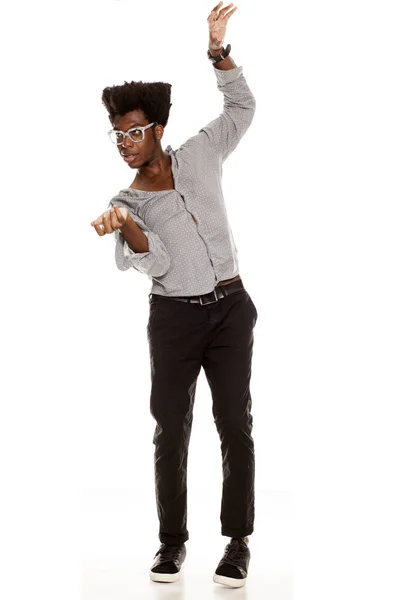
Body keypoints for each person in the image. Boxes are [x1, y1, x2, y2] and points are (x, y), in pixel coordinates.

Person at [91, 1, 257, 589]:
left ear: (157, 129)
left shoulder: (201, 154)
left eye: (133, 131)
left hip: (232, 308)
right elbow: (156, 263)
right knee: (171, 428)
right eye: (117, 134)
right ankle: (171, 543)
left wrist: (218, 51)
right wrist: (127, 225)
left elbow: (242, 107)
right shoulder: (127, 202)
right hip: (176, 321)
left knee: (234, 421)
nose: (125, 142)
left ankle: (237, 542)